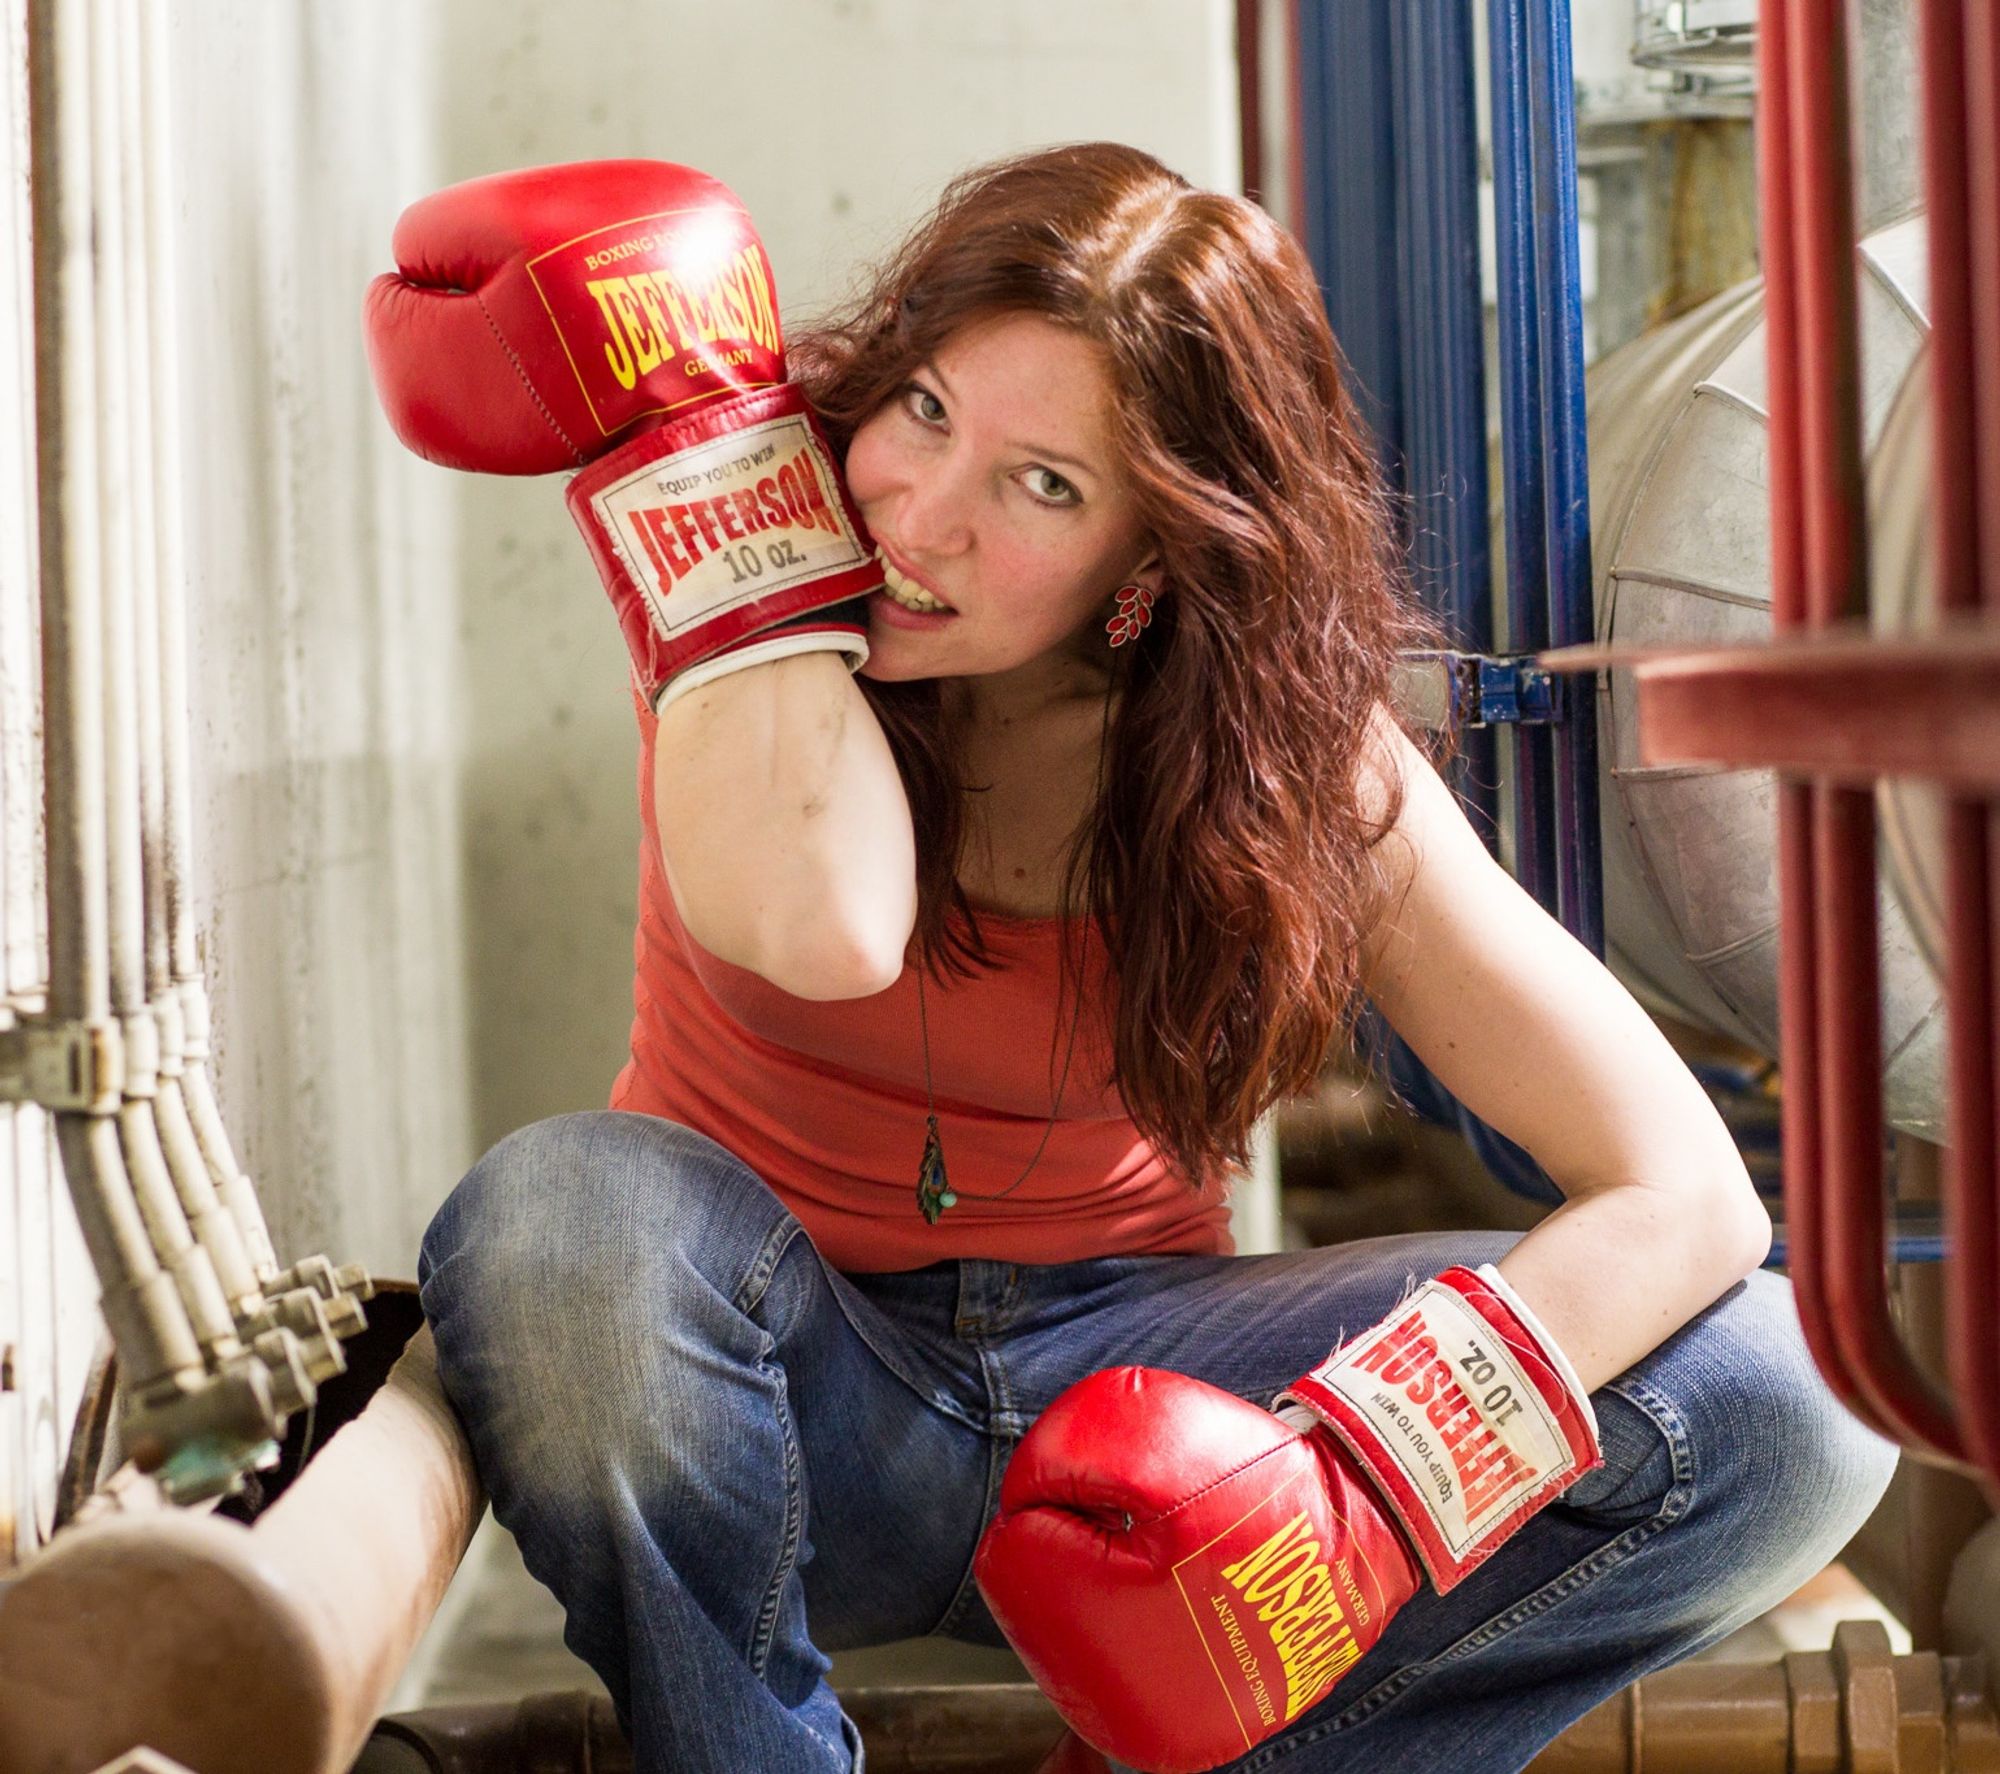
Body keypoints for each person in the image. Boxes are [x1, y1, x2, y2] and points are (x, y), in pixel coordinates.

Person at [378, 143, 1898, 1773]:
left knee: (1793, 1395)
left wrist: (1357, 1484)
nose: (926, 522)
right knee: (558, 1218)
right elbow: (830, 928)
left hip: (1145, 1416)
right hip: (774, 1383)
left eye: (1047, 488)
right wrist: (700, 455)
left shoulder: (1288, 762)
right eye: (929, 413)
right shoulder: (757, 570)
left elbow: (1687, 1190)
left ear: (1152, 561)